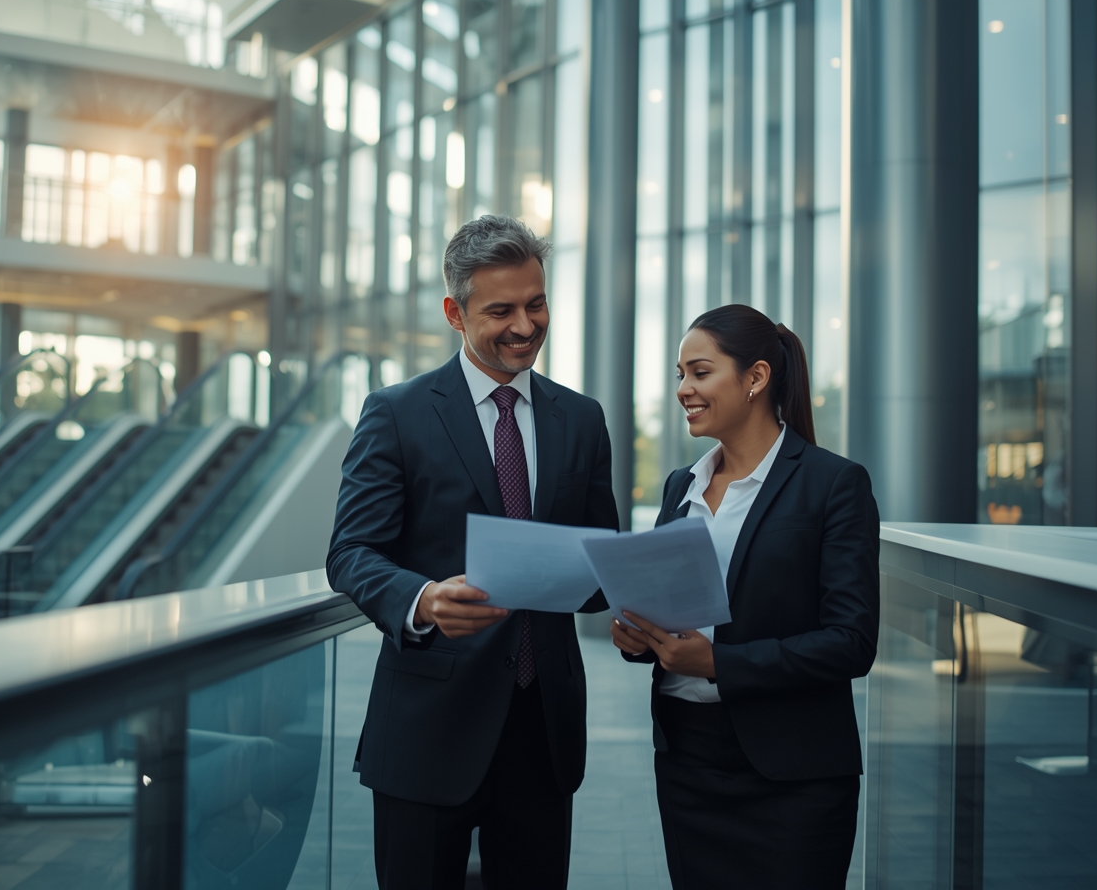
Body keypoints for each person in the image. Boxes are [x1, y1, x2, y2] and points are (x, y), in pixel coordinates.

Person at [327, 214, 618, 890]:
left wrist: (635, 577)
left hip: (542, 733)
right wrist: (422, 600)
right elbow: (351, 551)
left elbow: (599, 559)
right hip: (428, 731)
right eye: (502, 310)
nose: (526, 324)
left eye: (537, 303)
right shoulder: (396, 413)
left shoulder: (581, 418)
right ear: (455, 312)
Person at [611, 303, 880, 890]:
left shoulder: (834, 484)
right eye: (680, 375)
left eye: (699, 372)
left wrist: (718, 663)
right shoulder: (681, 485)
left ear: (755, 378)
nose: (684, 389)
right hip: (687, 762)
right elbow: (669, 608)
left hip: (793, 775)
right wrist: (638, 636)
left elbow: (852, 643)